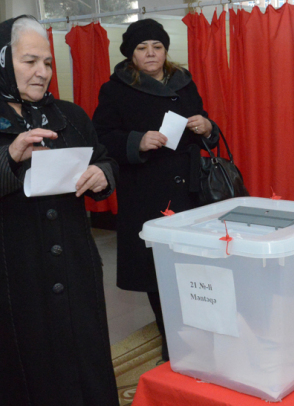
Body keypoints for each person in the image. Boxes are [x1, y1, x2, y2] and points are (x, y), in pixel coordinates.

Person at [0, 16, 120, 406]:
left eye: (48, 63)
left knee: (82, 369)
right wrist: (8, 157)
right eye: (30, 61)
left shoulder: (71, 116)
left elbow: (104, 160)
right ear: (1, 60)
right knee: (16, 377)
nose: (42, 73)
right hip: (5, 280)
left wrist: (102, 176)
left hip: (73, 270)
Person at [92, 18, 219, 362]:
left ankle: (204, 330)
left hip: (190, 192)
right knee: (158, 270)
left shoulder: (184, 82)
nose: (151, 53)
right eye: (141, 48)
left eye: (157, 47)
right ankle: (173, 341)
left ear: (165, 50)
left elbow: (206, 124)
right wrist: (137, 140)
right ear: (130, 55)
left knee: (195, 266)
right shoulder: (115, 90)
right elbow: (100, 138)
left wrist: (207, 126)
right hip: (147, 192)